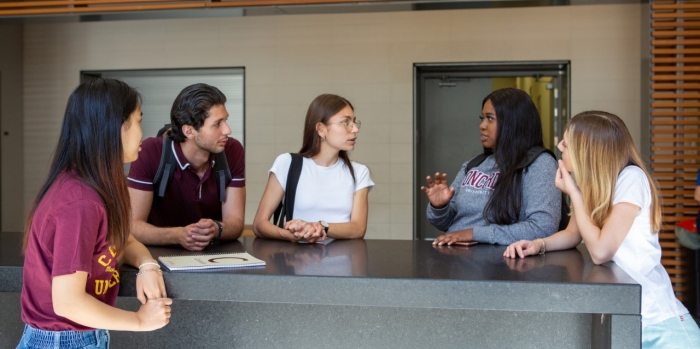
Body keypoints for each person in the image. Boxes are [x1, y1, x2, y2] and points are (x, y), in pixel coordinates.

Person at [504, 111, 700, 348]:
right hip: (626, 315)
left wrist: (574, 193)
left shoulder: (631, 178)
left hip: (659, 325)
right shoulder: (594, 183)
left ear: (586, 150)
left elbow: (601, 251)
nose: (559, 145)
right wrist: (538, 244)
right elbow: (573, 234)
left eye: (566, 142)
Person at [17, 78, 172, 349]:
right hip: (62, 341)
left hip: (78, 337)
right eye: (138, 120)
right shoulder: (81, 202)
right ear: (115, 127)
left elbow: (122, 241)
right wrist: (139, 321)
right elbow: (68, 302)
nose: (143, 135)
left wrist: (147, 266)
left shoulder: (96, 186)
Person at [423, 88, 561, 246]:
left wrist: (475, 234)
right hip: (455, 262)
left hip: (499, 265)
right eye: (482, 118)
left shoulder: (540, 164)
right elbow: (444, 223)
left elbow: (543, 228)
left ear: (513, 122)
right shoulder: (474, 164)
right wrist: (440, 207)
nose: (481, 125)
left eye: (490, 118)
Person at [127, 83, 245, 251]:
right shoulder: (150, 152)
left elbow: (236, 223)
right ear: (189, 131)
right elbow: (133, 226)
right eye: (217, 124)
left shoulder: (233, 151)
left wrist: (217, 229)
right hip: (159, 255)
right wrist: (178, 235)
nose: (228, 130)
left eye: (226, 120)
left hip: (213, 255)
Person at [253, 94, 374, 243]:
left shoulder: (359, 172)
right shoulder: (287, 163)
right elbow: (259, 224)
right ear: (321, 129)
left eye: (354, 122)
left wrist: (320, 227)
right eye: (345, 122)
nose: (355, 129)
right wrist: (290, 235)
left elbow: (358, 229)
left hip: (344, 262)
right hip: (296, 261)